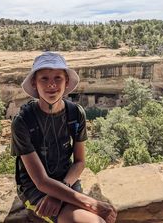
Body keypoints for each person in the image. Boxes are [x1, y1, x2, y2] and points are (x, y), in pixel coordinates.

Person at [11, 52, 117, 223]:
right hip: (35, 189)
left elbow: (80, 162)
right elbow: (41, 181)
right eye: (44, 78)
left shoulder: (75, 113)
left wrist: (62, 191)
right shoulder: (23, 121)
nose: (51, 84)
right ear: (34, 83)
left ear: (66, 82)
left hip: (67, 179)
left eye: (58, 78)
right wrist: (93, 203)